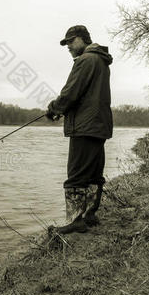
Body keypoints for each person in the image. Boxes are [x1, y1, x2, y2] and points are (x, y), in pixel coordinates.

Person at [46, 25, 113, 234]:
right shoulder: (101, 60)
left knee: (76, 176)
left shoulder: (86, 60)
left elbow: (71, 92)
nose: (68, 46)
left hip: (85, 126)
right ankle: (89, 215)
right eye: (66, 43)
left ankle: (75, 221)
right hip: (99, 125)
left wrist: (54, 109)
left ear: (82, 39)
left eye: (70, 41)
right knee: (93, 174)